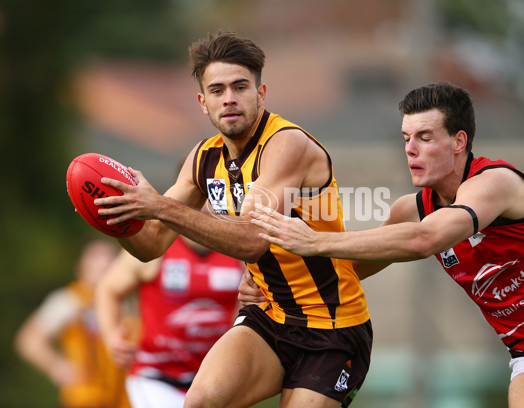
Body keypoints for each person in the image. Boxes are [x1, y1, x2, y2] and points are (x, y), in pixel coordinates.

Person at [247, 82, 524, 408]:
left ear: (459, 141)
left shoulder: (495, 183)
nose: (410, 150)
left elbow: (426, 238)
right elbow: (352, 270)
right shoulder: (410, 210)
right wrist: (277, 288)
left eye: (425, 138)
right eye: (406, 138)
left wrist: (314, 240)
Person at [93, 31, 372, 408]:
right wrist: (116, 218)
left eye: (240, 87)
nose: (229, 99)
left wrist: (157, 205)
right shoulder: (202, 158)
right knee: (199, 402)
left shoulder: (285, 144)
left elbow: (253, 239)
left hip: (333, 327)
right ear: (202, 102)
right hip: (269, 317)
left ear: (260, 94)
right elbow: (152, 245)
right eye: (217, 90)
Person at [96, 236, 244, 408]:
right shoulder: (155, 243)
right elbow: (108, 289)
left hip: (214, 380)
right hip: (156, 376)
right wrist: (111, 336)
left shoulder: (239, 248)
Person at [14, 239, 131, 408]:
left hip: (123, 400)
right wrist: (57, 367)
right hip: (84, 399)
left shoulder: (127, 304)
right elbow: (29, 340)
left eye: (109, 259)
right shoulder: (69, 301)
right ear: (81, 266)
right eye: (96, 259)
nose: (103, 265)